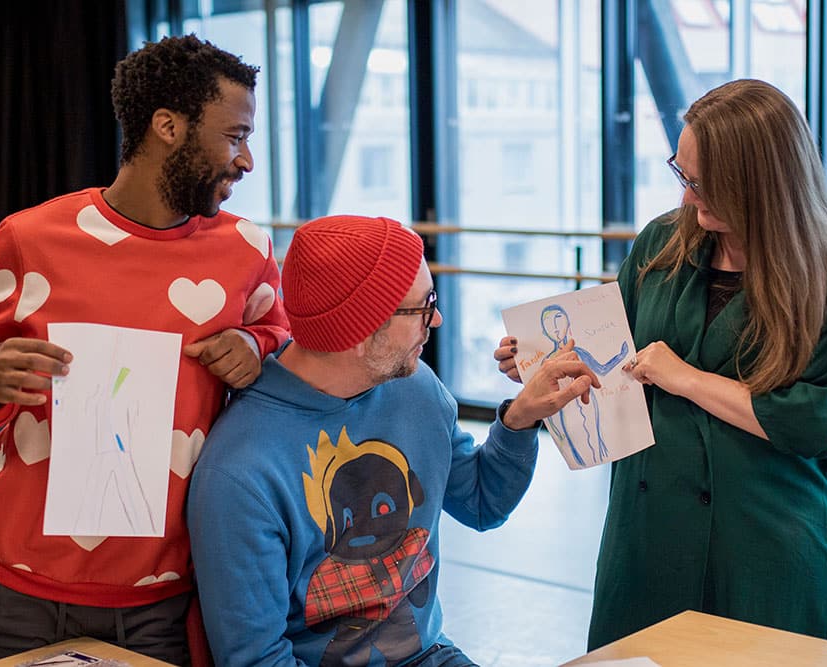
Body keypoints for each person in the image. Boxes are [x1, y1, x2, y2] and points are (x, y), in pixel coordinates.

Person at [0, 34, 290, 665]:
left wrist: (254, 345)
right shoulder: (30, 239)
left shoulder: (247, 251)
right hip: (20, 590)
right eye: (235, 136)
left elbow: (283, 349)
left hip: (164, 593)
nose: (248, 161)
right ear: (167, 127)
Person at [495, 79, 827, 648]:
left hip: (767, 542)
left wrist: (688, 379)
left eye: (703, 184)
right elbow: (611, 355)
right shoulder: (660, 245)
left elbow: (816, 424)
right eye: (683, 175)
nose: (689, 198)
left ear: (760, 185)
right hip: (649, 527)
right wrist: (546, 363)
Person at [187, 215, 601, 667]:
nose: (438, 319)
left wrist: (520, 419)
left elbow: (483, 503)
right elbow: (257, 661)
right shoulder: (238, 474)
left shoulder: (415, 386)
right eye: (425, 306)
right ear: (364, 333)